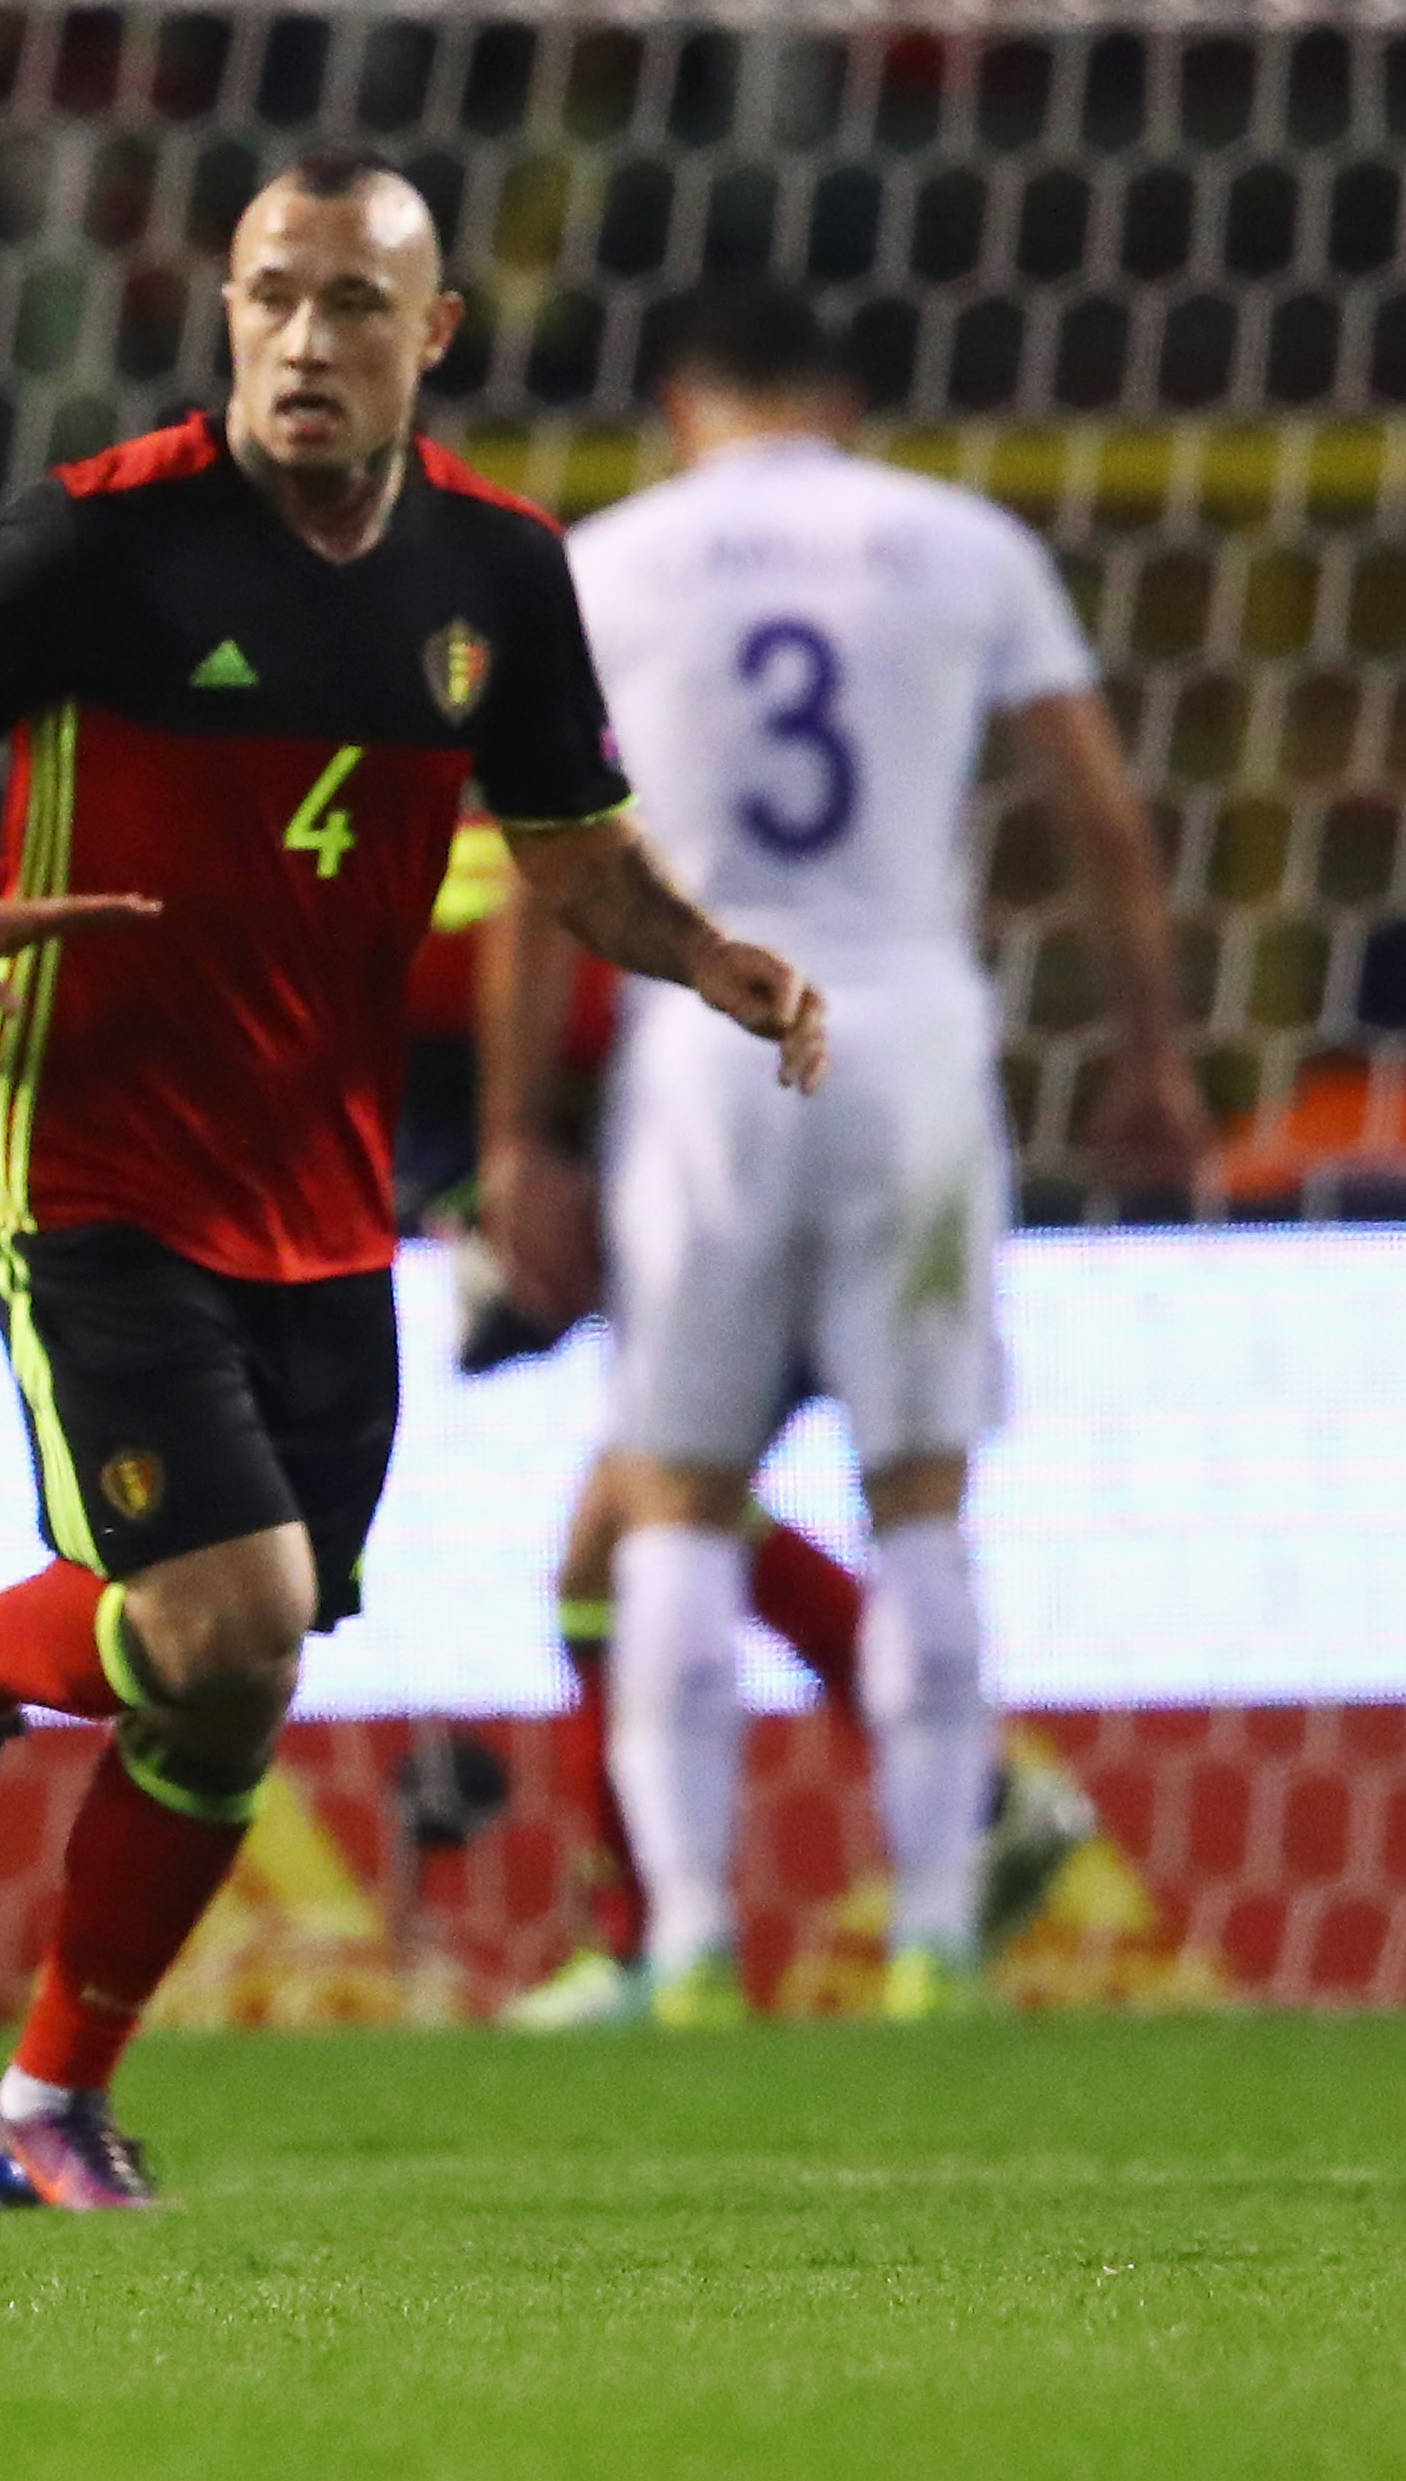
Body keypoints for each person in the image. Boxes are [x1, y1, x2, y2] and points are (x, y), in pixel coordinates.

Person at [0, 150, 822, 2210]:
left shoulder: (499, 577)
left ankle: (48, 2086)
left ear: (435, 340)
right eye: (273, 297)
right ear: (227, 307)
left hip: (325, 1200)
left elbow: (573, 854)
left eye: (354, 307)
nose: (307, 342)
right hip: (94, 1164)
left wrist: (713, 958)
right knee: (239, 1609)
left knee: (236, 1687)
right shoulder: (103, 538)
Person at [473, 278, 1195, 2027]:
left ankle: (694, 1944)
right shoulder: (957, 540)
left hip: (703, 1043)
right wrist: (1153, 1059)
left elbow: (540, 859)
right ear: (846, 399)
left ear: (676, 400)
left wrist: (515, 1136)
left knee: (673, 1492)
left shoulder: (607, 557)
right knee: (923, 1489)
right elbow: (1095, 811)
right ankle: (941, 1937)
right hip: (913, 1039)